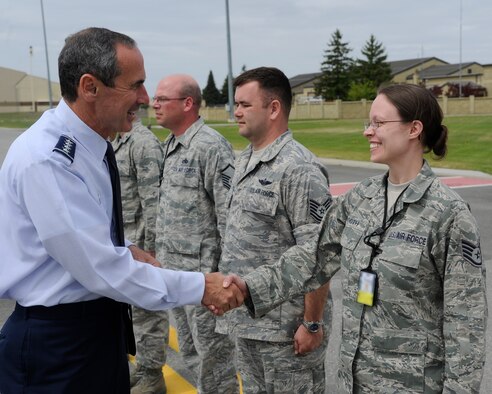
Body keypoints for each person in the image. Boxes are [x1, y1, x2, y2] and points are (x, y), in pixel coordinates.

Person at [0, 27, 243, 394]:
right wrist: (201, 287)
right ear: (89, 87)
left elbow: (87, 230)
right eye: (136, 85)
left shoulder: (89, 144)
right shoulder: (49, 159)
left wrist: (127, 247)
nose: (145, 98)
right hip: (59, 346)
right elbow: (99, 268)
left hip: (96, 330)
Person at [223, 84, 487, 393]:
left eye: (378, 123)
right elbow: (313, 258)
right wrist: (248, 286)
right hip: (355, 381)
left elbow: (466, 324)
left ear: (414, 128)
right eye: (368, 123)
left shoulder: (449, 215)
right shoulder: (361, 197)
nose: (367, 132)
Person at [216, 67, 333, 394]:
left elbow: (320, 254)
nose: (236, 112)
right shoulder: (245, 160)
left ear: (274, 108)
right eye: (235, 104)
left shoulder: (299, 168)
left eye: (245, 104)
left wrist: (312, 323)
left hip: (286, 332)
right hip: (248, 324)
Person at [153, 74, 238, 393]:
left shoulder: (211, 146)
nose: (154, 104)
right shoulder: (170, 145)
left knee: (214, 360)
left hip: (204, 277)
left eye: (163, 99)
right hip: (175, 273)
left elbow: (229, 216)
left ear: (187, 103)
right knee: (190, 352)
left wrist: (225, 279)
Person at [111, 116, 168, 394]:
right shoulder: (115, 138)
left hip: (142, 244)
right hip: (123, 241)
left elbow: (153, 200)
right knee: (129, 313)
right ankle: (140, 367)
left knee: (148, 314)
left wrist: (153, 247)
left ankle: (152, 375)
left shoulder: (142, 143)